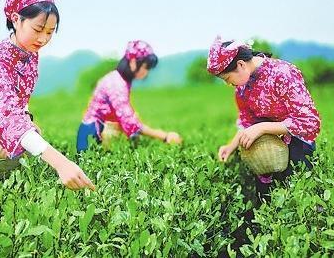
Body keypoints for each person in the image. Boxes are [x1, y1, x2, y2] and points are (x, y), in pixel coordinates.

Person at [0, 0, 95, 191]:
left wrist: (24, 122)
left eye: (50, 32)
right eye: (38, 29)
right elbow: (7, 115)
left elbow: (19, 100)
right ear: (15, 19)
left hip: (1, 132)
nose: (43, 39)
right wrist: (61, 163)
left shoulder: (30, 54)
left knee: (15, 190)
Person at [207, 36, 321, 200]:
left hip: (297, 143)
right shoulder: (242, 86)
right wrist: (231, 146)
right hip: (264, 150)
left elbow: (309, 122)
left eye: (227, 78)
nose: (228, 84)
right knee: (266, 201)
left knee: (298, 198)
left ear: (240, 64)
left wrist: (262, 127)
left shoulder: (283, 73)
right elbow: (246, 121)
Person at [76, 40, 182, 152]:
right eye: (146, 67)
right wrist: (165, 136)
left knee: (133, 120)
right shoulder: (116, 84)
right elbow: (129, 121)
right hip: (91, 136)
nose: (146, 72)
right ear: (133, 62)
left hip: (98, 130)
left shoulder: (121, 79)